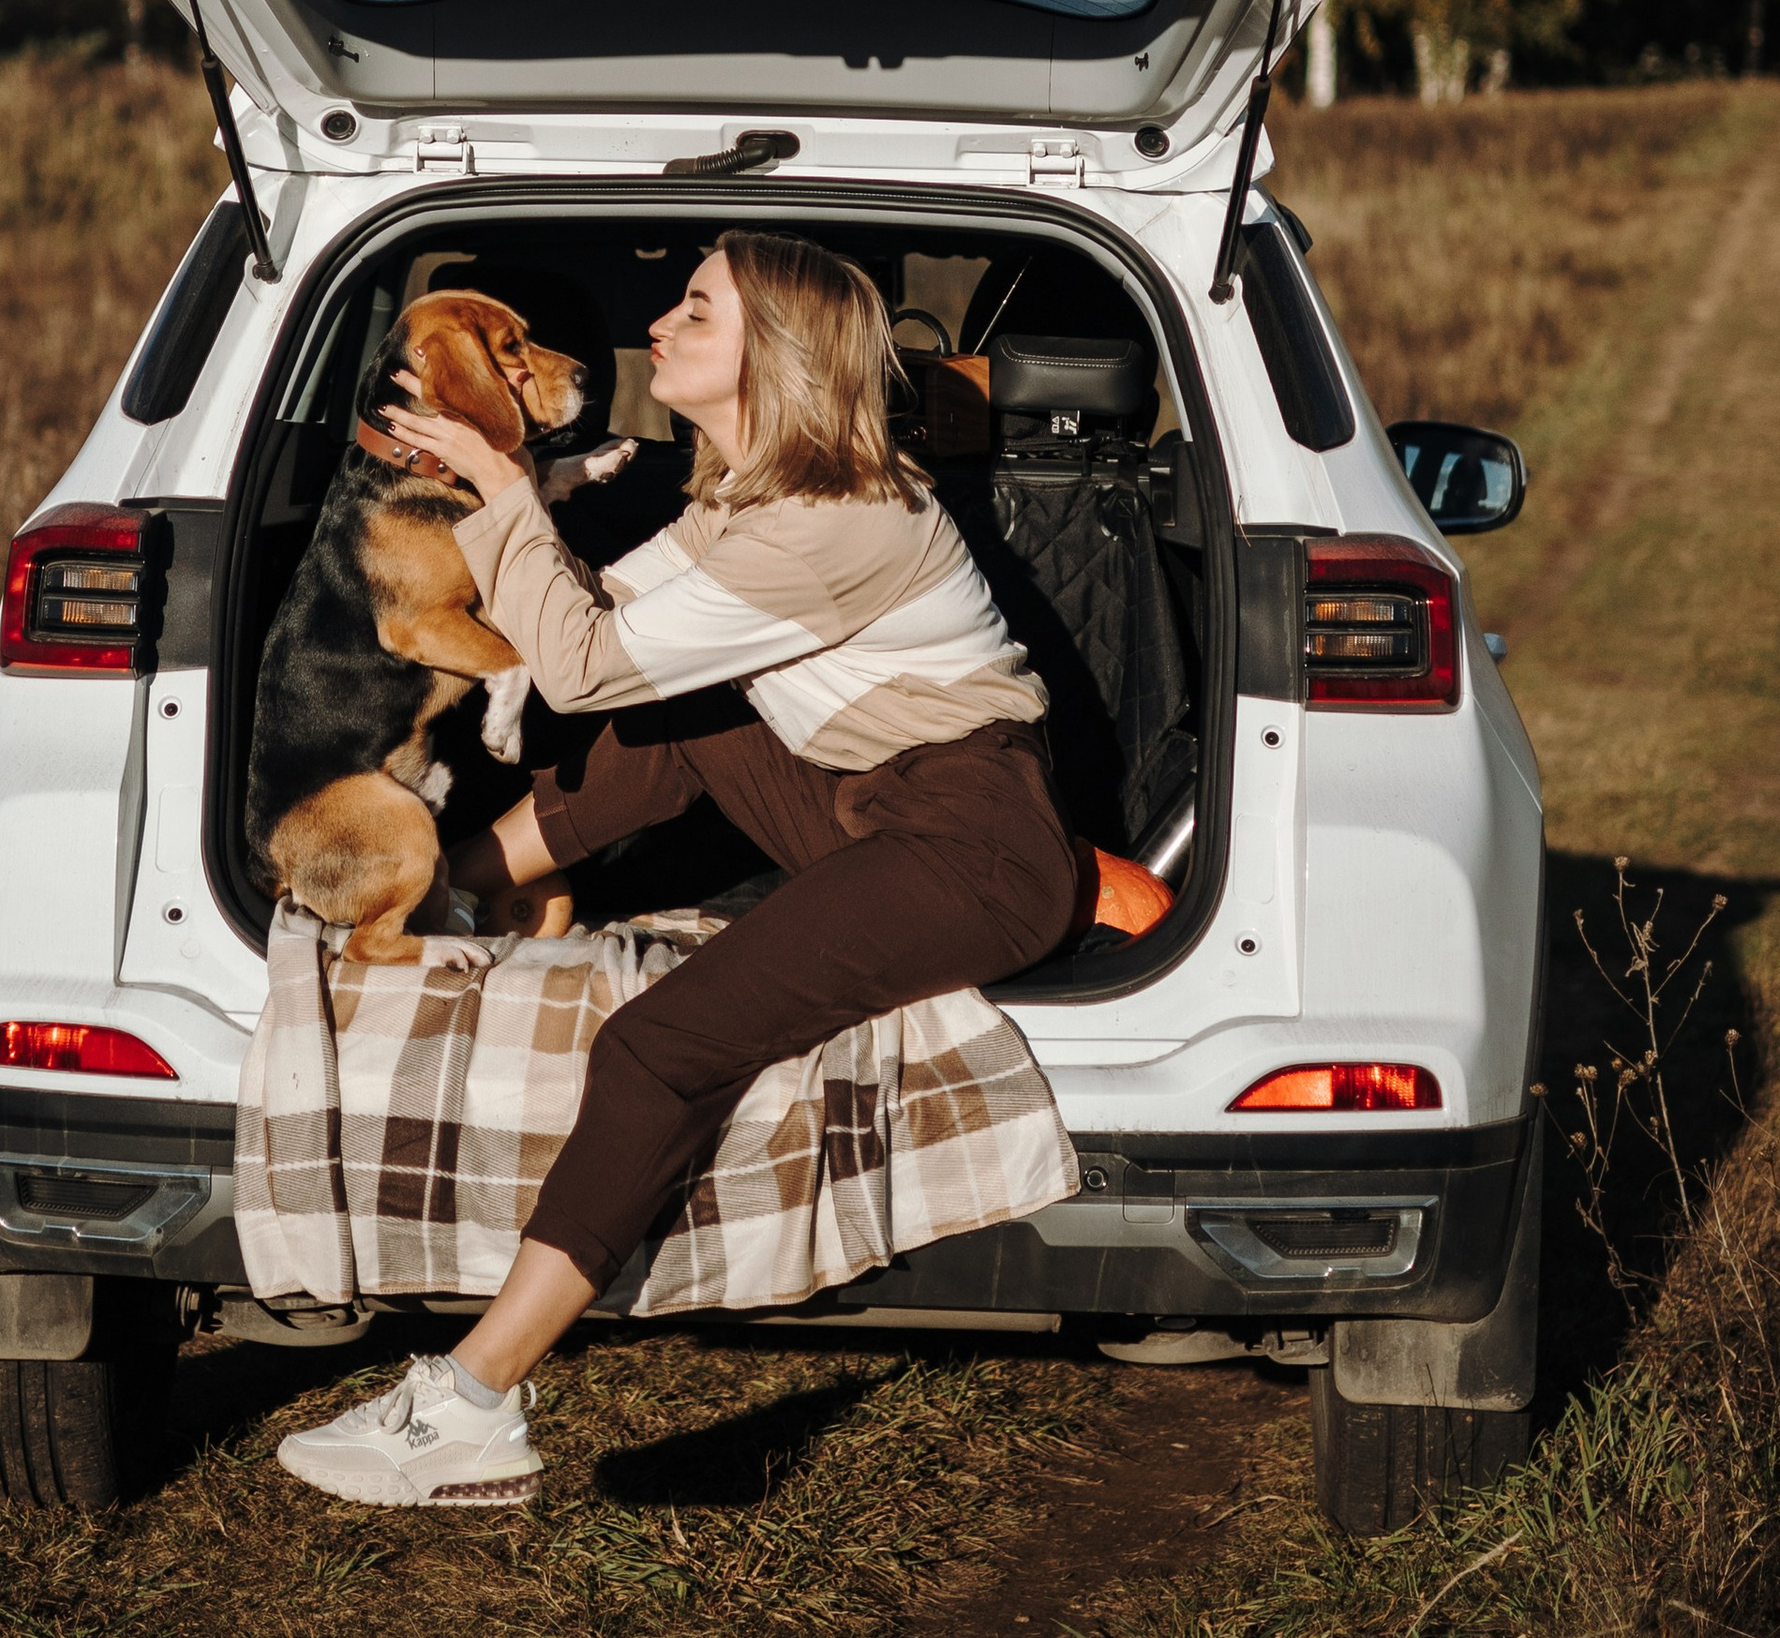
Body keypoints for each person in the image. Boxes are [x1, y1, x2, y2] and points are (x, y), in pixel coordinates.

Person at [275, 230, 1170, 1507]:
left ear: (779, 357)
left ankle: (472, 1403)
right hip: (867, 806)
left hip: (966, 846)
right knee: (685, 714)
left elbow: (578, 667)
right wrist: (493, 503)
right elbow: (588, 615)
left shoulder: (831, 525)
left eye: (695, 312)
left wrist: (507, 482)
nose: (658, 326)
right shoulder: (745, 501)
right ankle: (464, 878)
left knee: (657, 1047)